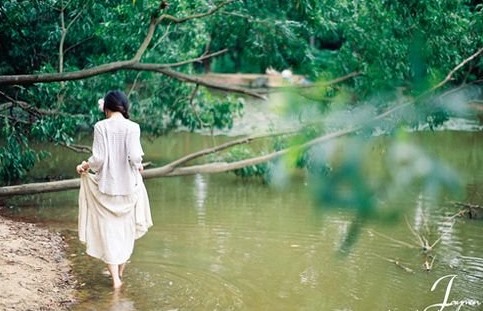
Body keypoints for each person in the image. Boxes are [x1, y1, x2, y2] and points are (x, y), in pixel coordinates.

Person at [76, 90, 152, 289]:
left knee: (108, 231)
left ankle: (115, 280)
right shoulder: (133, 127)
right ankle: (119, 273)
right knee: (125, 231)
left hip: (106, 188)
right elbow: (135, 157)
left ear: (106, 108)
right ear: (124, 107)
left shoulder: (101, 126)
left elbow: (98, 160)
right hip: (129, 188)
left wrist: (84, 165)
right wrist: (139, 165)